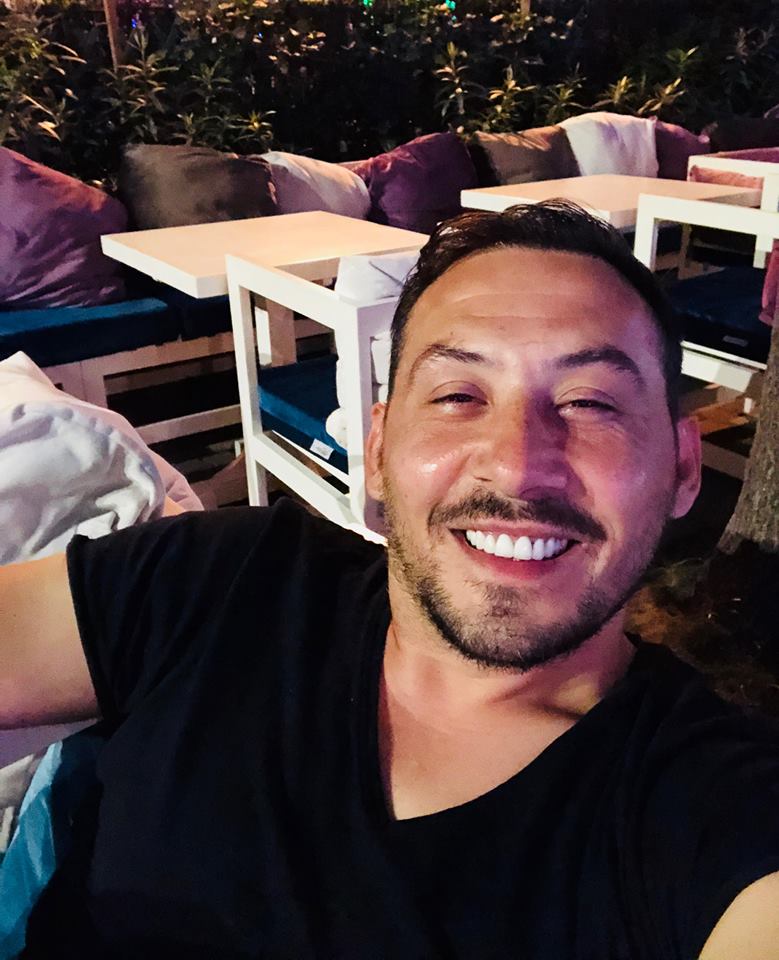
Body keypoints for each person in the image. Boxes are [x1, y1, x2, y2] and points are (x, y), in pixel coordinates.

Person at [2, 201, 778, 959]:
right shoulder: (216, 581)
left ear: (682, 467)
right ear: (376, 451)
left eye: (589, 403)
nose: (516, 465)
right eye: (457, 396)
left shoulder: (712, 802)